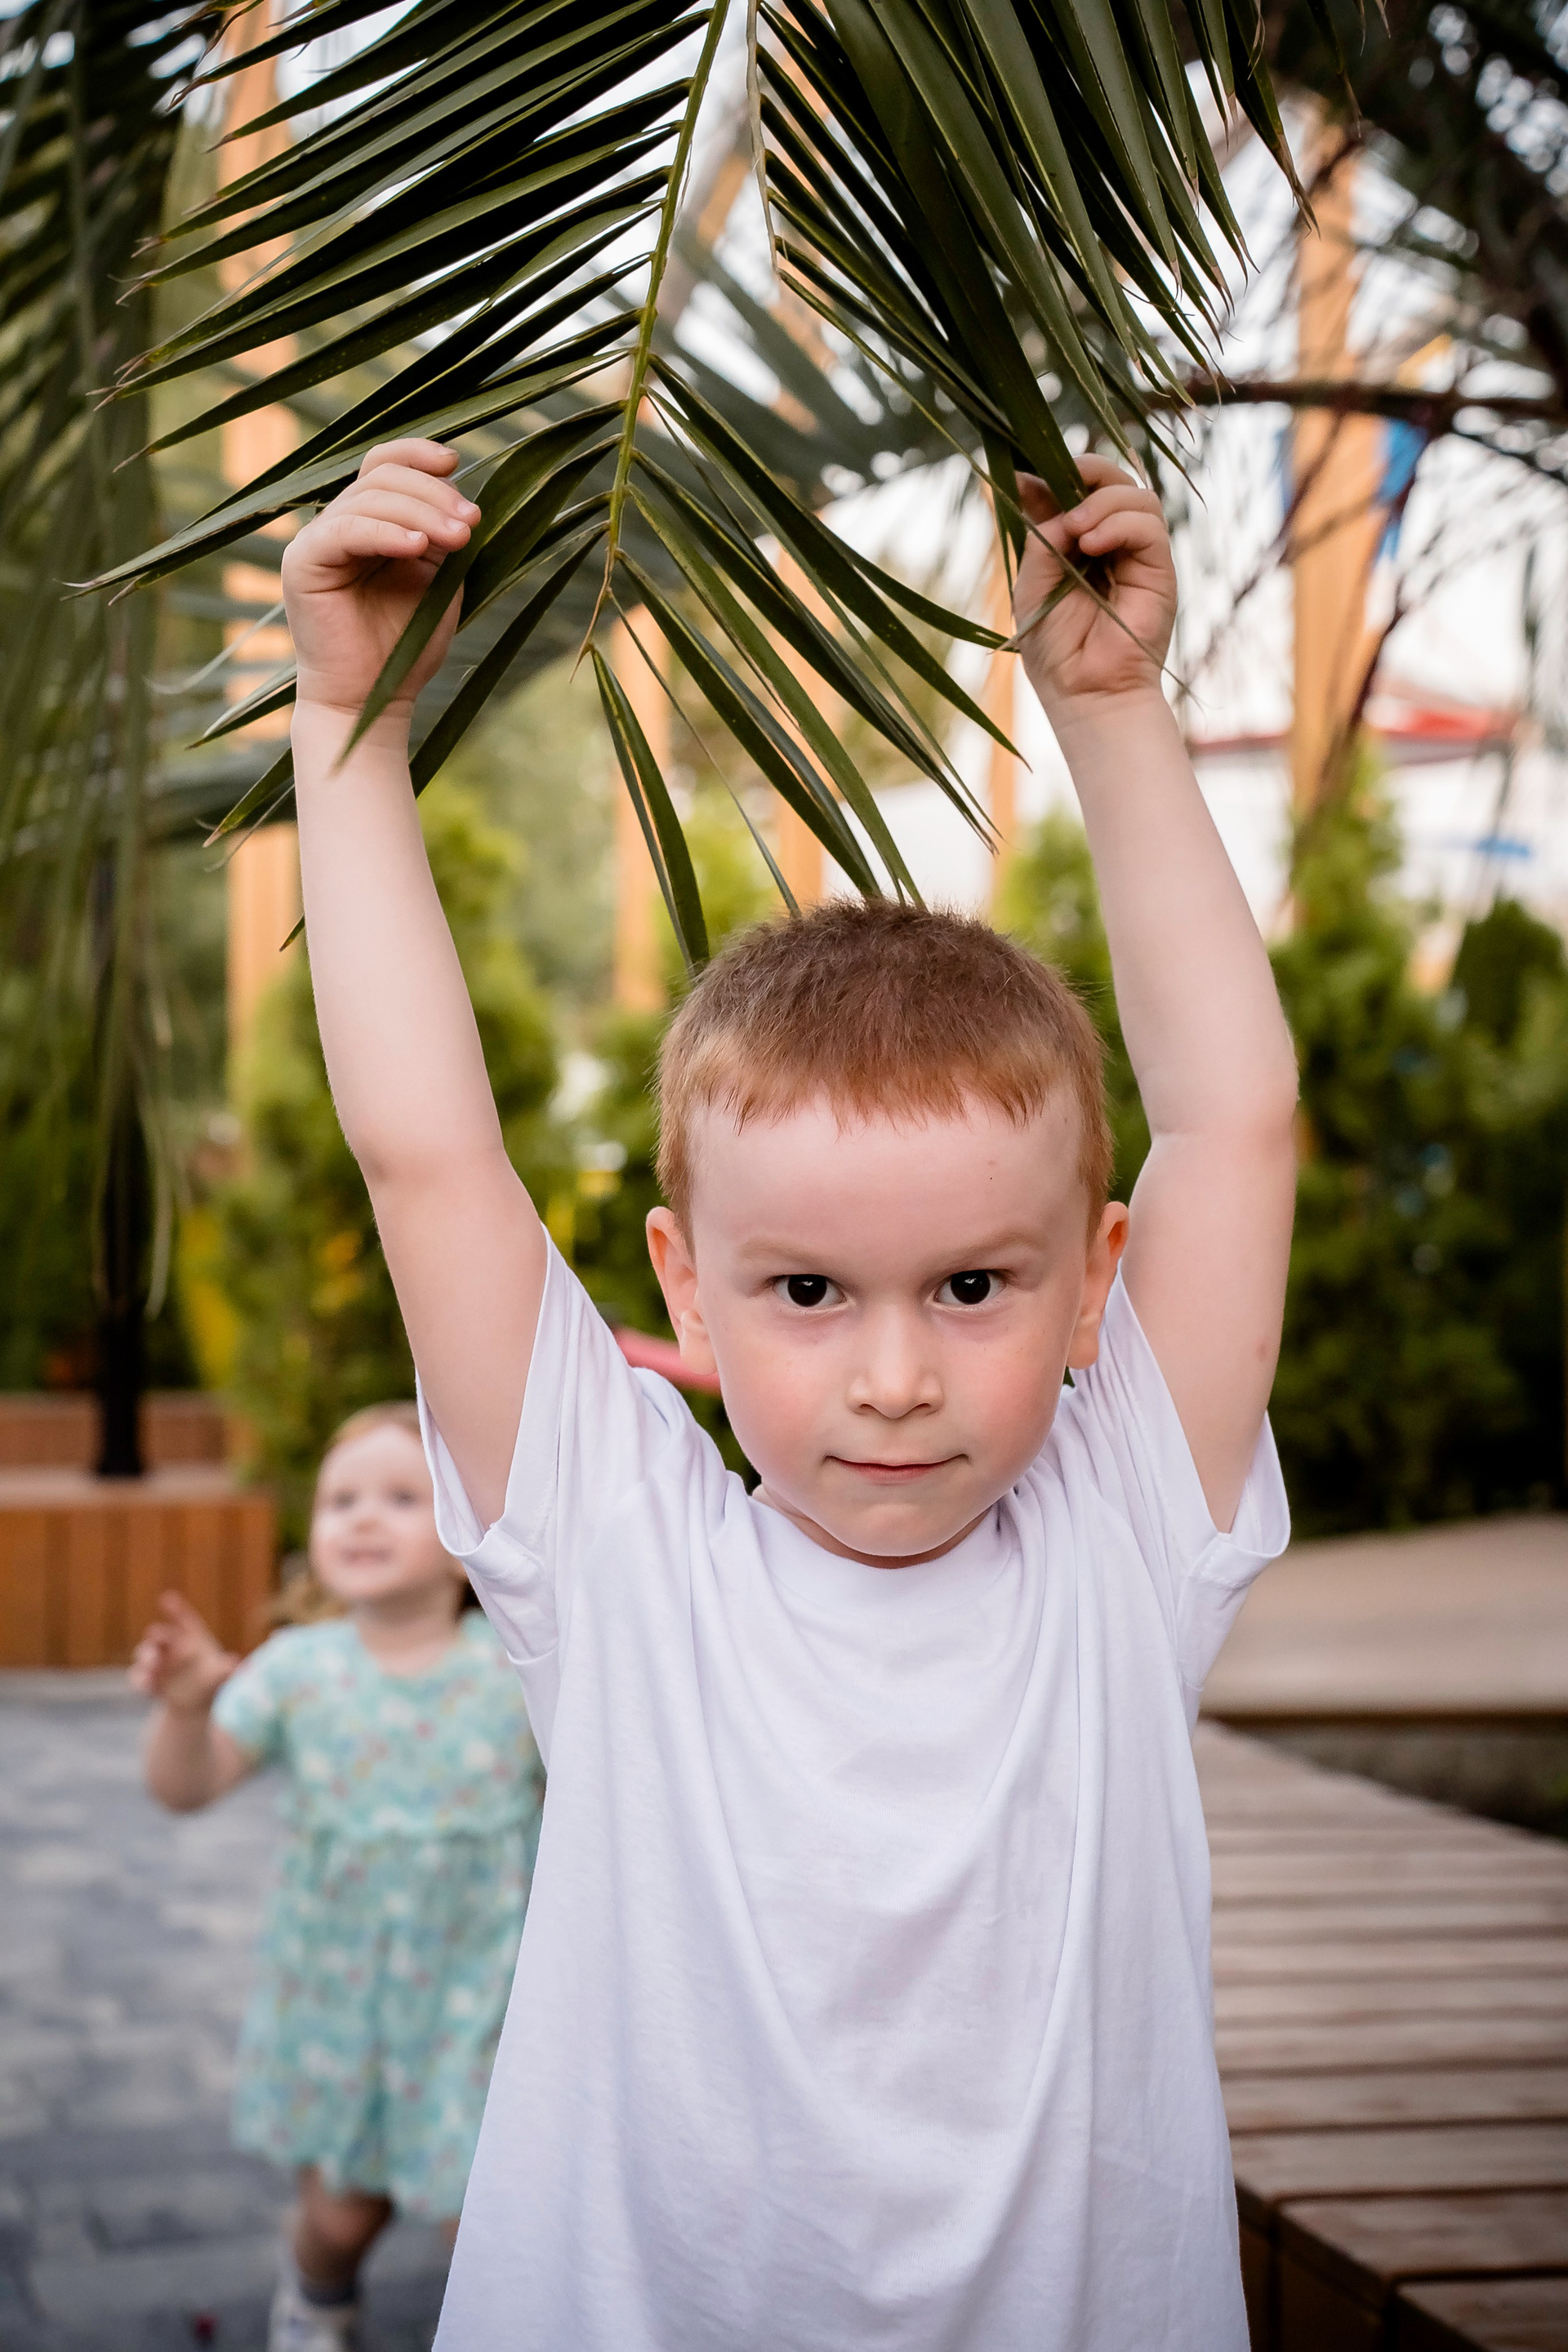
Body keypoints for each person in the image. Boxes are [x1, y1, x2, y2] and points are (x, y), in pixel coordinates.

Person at [278, 437, 1298, 2350]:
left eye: (975, 1286)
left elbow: (1234, 1124)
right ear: (685, 1283)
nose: (895, 1378)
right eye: (809, 1291)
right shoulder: (618, 1549)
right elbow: (425, 1153)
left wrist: (1105, 709)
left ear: (1097, 1275)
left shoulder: (1121, 1535)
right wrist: (347, 727)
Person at [131, 1403, 543, 2352]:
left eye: (401, 1498)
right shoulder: (296, 1670)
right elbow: (186, 1789)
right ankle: (316, 2301)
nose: (362, 1518)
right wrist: (186, 1712)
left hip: (480, 2003)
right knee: (342, 2217)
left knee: (487, 2221)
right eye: (340, 1500)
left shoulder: (516, 1672)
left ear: (467, 1538)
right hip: (338, 2006)